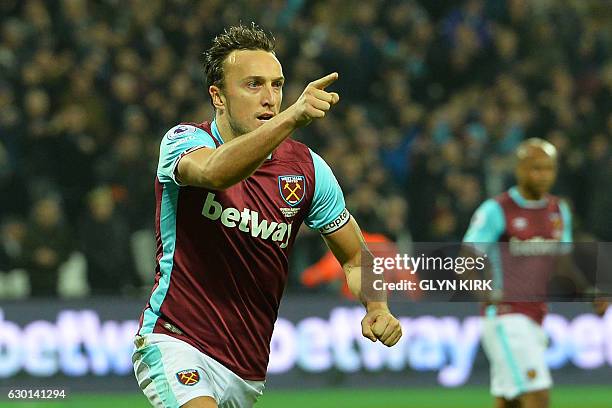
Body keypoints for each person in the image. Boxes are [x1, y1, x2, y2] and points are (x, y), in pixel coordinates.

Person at [132, 24, 402, 408]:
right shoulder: (185, 142)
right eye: (253, 85)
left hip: (247, 367)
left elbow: (357, 258)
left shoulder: (307, 169)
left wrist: (377, 307)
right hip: (176, 338)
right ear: (218, 96)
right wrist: (291, 119)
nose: (270, 98)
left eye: (277, 85)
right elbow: (215, 174)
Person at [463, 138, 607, 408]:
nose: (542, 175)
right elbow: (466, 257)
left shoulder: (557, 210)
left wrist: (590, 293)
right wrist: (484, 292)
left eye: (548, 168)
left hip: (535, 316)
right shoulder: (497, 210)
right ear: (519, 169)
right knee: (538, 396)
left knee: (511, 400)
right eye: (535, 168)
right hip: (506, 317)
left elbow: (562, 264)